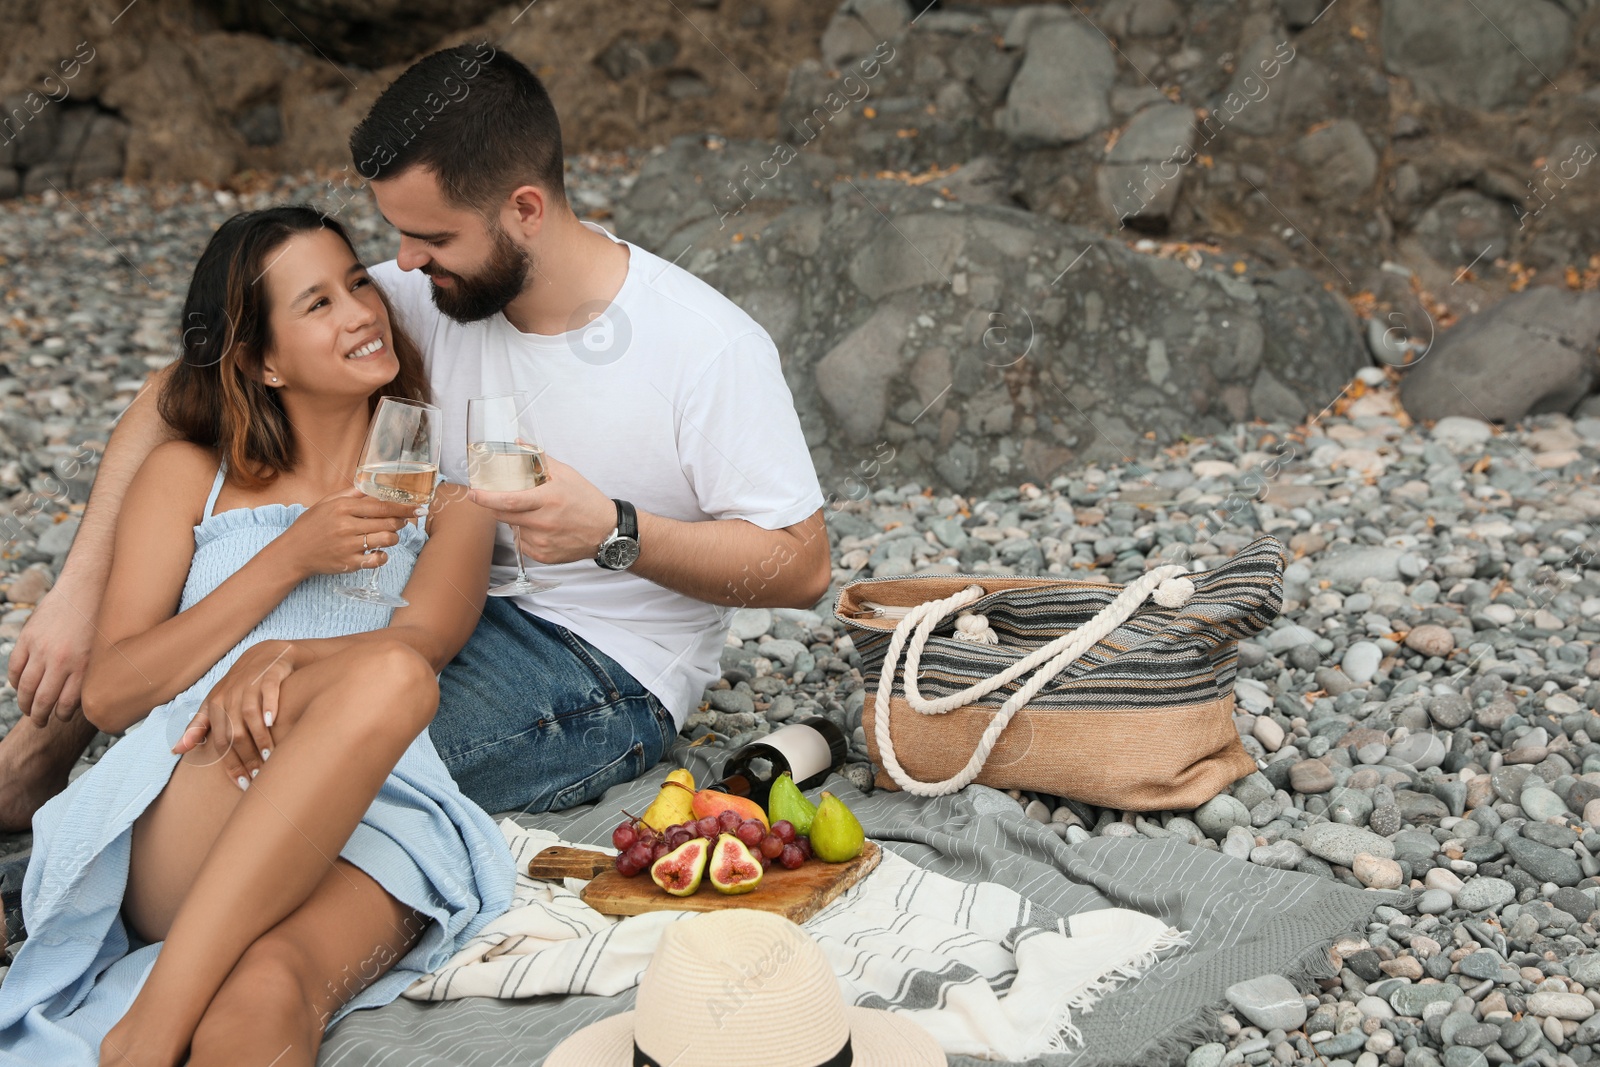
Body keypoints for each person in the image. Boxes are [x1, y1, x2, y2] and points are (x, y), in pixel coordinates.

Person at [0, 41, 831, 822]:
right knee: (216, 698)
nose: (400, 261)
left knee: (285, 768)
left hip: (591, 660)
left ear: (525, 210)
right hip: (414, 601)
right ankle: (49, 777)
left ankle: (82, 889)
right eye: (396, 232)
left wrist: (615, 531)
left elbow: (801, 565)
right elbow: (172, 393)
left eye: (430, 236)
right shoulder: (417, 294)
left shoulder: (704, 345)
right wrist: (78, 591)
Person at [0, 206, 514, 1067]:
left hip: (379, 816)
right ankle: (150, 1029)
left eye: (357, 283)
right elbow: (112, 691)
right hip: (209, 778)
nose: (360, 310)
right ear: (261, 359)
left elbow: (419, 648)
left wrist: (284, 658)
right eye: (316, 303)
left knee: (271, 989)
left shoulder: (450, 506)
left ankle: (158, 1028)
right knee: (382, 677)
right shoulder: (187, 478)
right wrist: (287, 559)